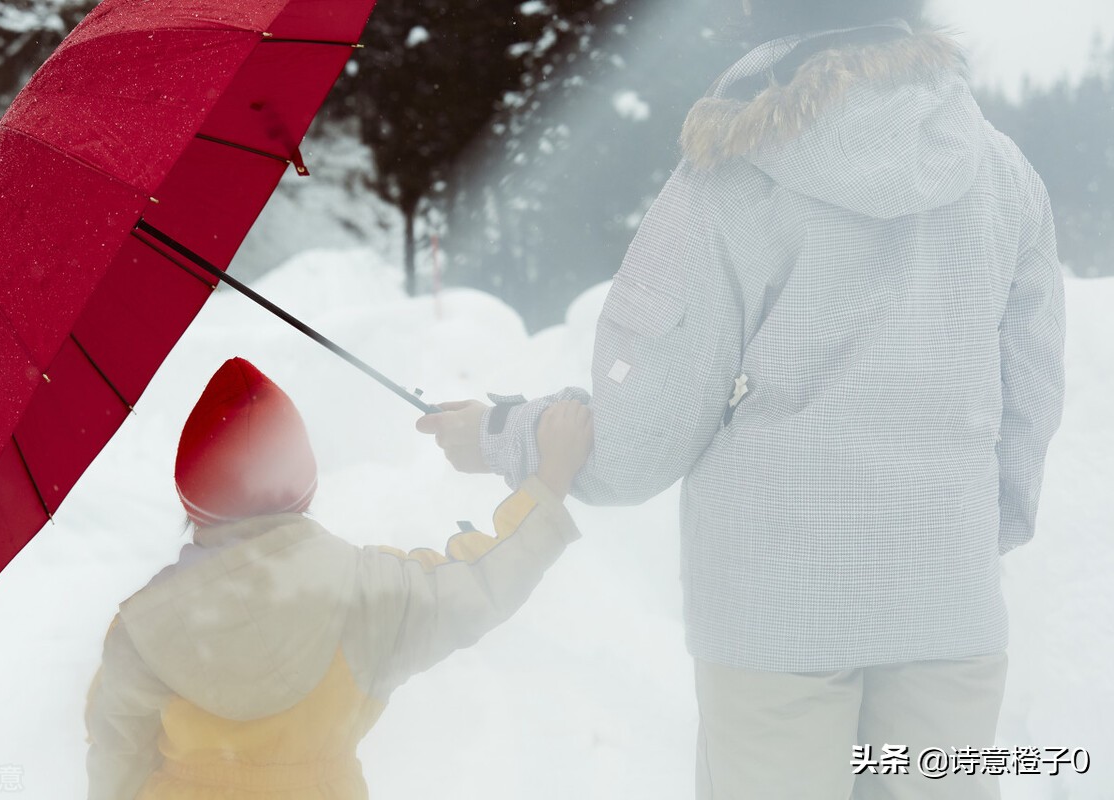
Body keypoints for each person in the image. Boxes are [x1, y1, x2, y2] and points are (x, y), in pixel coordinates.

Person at [416, 1, 1067, 798]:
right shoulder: (1002, 173)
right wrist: (959, 539)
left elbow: (641, 437)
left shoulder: (732, 174)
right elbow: (1030, 394)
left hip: (774, 617)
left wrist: (500, 436)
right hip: (950, 603)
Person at [85, 357, 593, 800]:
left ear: (192, 503)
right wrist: (550, 480)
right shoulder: (368, 591)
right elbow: (483, 582)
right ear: (303, 488)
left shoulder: (141, 628)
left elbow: (116, 762)